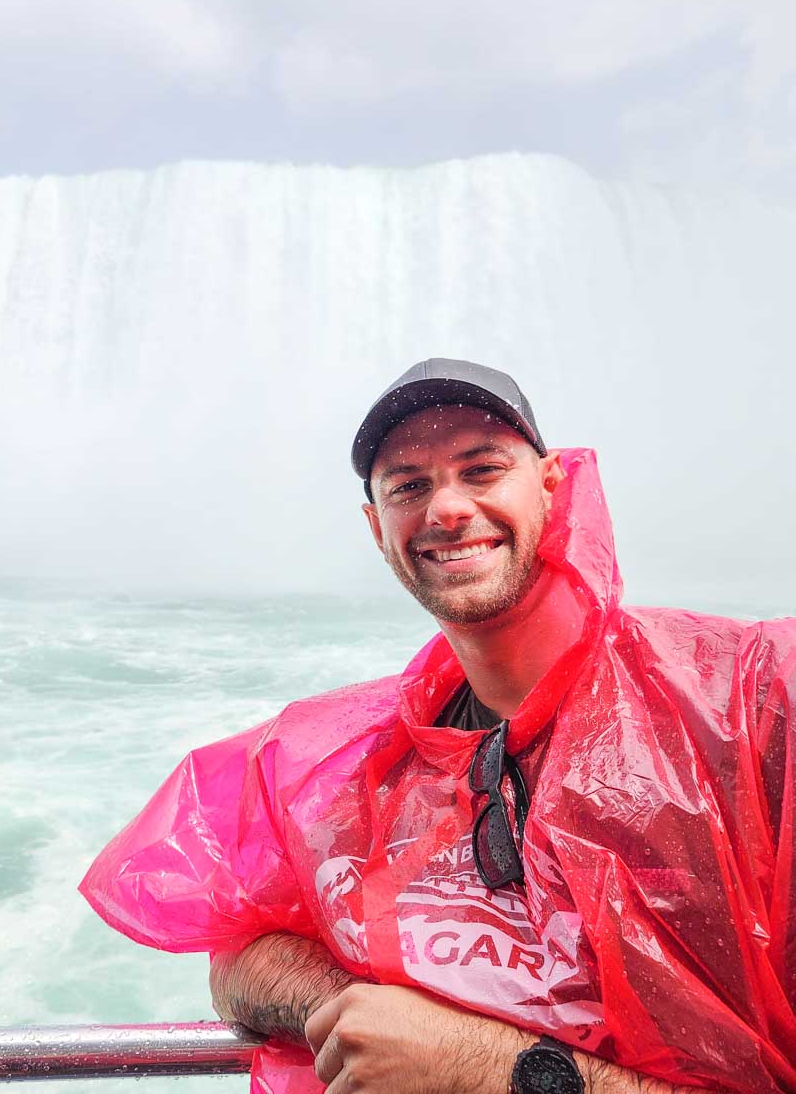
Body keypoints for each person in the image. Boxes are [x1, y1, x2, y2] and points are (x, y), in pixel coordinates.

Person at [81, 359, 796, 1094]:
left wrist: (488, 1065)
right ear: (376, 527)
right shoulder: (349, 762)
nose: (446, 509)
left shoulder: (749, 699)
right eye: (408, 487)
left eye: (481, 470)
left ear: (554, 487)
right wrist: (348, 1007)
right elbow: (238, 955)